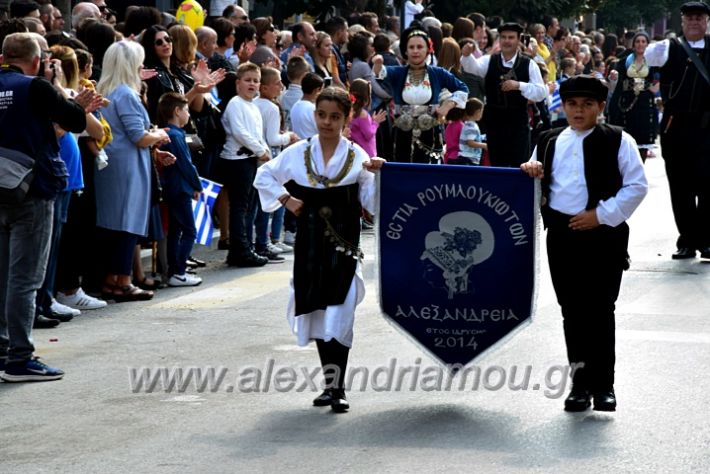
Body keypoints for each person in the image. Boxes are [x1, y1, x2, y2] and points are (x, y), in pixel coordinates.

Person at [253, 86, 385, 412]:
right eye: (322, 115)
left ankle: (338, 388)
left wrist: (380, 176)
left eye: (335, 117)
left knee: (340, 310)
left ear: (346, 119)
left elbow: (371, 203)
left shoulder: (357, 156)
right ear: (315, 116)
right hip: (310, 241)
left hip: (343, 241)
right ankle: (329, 385)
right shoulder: (299, 152)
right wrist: (286, 198)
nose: (327, 122)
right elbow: (264, 174)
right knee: (318, 309)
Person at [521, 75, 648, 412]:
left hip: (604, 234)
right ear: (563, 107)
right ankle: (580, 386)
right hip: (562, 235)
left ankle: (604, 385)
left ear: (600, 107)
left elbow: (637, 186)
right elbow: (533, 186)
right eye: (573, 104)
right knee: (572, 311)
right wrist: (530, 172)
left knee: (601, 310)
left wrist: (601, 215)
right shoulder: (547, 141)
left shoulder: (619, 140)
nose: (579, 111)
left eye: (587, 105)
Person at [0, 32, 97, 381]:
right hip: (33, 189)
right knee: (25, 279)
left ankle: (3, 350)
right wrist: (76, 100)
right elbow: (72, 120)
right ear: (38, 60)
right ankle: (19, 358)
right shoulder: (35, 87)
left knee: (4, 275)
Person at [95, 40, 175, 302]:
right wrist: (160, 133)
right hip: (128, 166)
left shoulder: (107, 90)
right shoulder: (126, 94)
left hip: (112, 164)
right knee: (127, 224)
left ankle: (111, 280)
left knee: (113, 225)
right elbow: (138, 136)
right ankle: (124, 281)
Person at [645, 1, 710, 259]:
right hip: (676, 128)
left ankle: (706, 239)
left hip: (707, 129)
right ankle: (687, 239)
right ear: (682, 21)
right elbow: (646, 59)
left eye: (699, 17)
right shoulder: (667, 48)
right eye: (690, 17)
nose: (694, 22)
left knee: (707, 185)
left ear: (706, 22)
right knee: (681, 186)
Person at [372, 25, 468, 163]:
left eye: (419, 47)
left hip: (430, 135)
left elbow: (462, 89)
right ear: (405, 50)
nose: (415, 51)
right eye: (411, 47)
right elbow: (380, 73)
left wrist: (448, 105)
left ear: (428, 49)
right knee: (402, 171)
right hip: (402, 135)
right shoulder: (398, 73)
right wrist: (377, 65)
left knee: (428, 176)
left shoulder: (438, 73)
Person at [461, 22, 549, 167]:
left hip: (518, 124)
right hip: (495, 123)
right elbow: (474, 68)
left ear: (518, 40)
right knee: (497, 165)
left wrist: (519, 85)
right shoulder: (490, 60)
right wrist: (466, 55)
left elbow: (541, 92)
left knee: (519, 166)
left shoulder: (529, 64)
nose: (507, 41)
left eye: (511, 37)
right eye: (503, 37)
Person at [219, 62, 270, 267]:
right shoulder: (235, 103)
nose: (252, 84)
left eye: (256, 81)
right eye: (248, 80)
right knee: (239, 207)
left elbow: (258, 134)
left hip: (249, 160)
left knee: (246, 206)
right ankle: (240, 250)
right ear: (238, 83)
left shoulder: (253, 106)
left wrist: (263, 152)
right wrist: (260, 150)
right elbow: (240, 132)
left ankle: (240, 248)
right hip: (236, 160)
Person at [155, 92, 203, 287]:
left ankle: (173, 271)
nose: (188, 114)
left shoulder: (168, 133)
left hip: (170, 188)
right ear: (177, 111)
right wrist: (197, 185)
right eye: (186, 110)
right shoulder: (176, 135)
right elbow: (186, 164)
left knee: (175, 231)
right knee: (190, 231)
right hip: (181, 188)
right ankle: (179, 271)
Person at [608, 31, 659, 162]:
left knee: (643, 144)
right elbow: (619, 84)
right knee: (627, 143)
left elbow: (656, 85)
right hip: (627, 105)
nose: (640, 44)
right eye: (638, 41)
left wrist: (633, 83)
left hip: (645, 106)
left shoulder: (653, 62)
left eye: (643, 41)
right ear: (633, 44)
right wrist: (614, 78)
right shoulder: (625, 61)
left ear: (647, 44)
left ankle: (640, 172)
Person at [348, 78, 387, 157]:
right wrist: (375, 123)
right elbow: (369, 134)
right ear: (367, 98)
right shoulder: (362, 114)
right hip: (366, 153)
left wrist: (372, 121)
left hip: (352, 152)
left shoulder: (347, 111)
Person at [289, 72, 323, 140]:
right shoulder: (313, 109)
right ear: (317, 90)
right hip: (311, 147)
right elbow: (322, 130)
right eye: (321, 90)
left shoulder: (295, 106)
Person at [455, 98, 486, 165]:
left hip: (467, 158)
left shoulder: (468, 124)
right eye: (482, 111)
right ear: (477, 112)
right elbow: (470, 143)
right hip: (469, 159)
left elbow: (473, 137)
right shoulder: (471, 126)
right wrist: (485, 145)